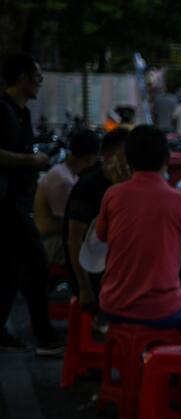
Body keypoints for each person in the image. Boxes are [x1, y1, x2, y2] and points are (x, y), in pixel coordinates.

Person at [95, 125, 181, 337]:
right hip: (161, 309)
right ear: (167, 160)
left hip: (112, 304)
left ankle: (154, 358)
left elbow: (101, 236)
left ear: (129, 161)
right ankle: (170, 353)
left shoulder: (112, 195)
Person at [0, 53, 60, 355]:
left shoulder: (21, 113)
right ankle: (46, 336)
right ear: (22, 78)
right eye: (36, 76)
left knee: (10, 269)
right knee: (35, 265)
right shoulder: (4, 111)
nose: (39, 81)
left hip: (16, 201)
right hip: (7, 204)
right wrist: (31, 160)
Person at [62, 128, 129, 309]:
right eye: (125, 155)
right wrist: (84, 287)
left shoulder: (129, 186)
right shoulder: (88, 187)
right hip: (91, 273)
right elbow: (74, 240)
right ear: (108, 156)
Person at [34, 129, 99, 266]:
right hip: (52, 242)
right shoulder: (63, 181)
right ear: (90, 157)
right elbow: (70, 223)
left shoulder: (65, 173)